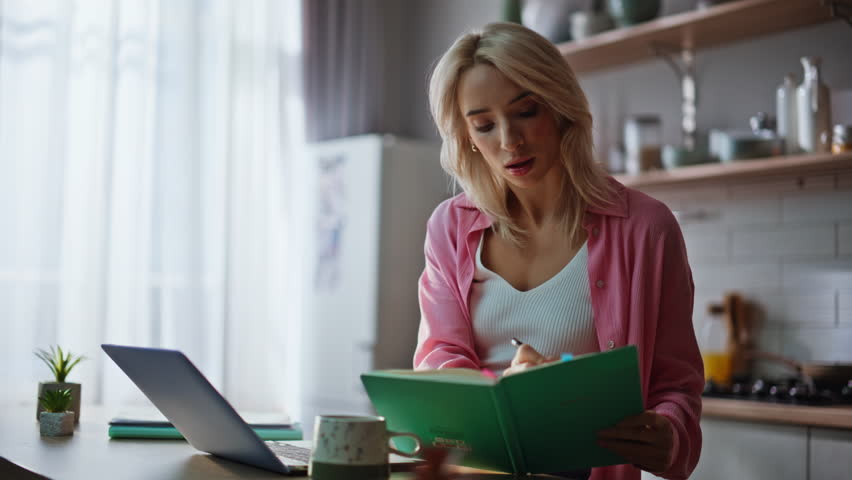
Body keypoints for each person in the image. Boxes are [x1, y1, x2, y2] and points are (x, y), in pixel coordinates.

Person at [413, 22, 703, 480]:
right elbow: (440, 359)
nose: (509, 141)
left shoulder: (647, 228)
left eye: (525, 112)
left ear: (560, 108)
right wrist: (506, 392)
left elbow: (676, 384)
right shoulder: (450, 227)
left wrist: (669, 432)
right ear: (467, 136)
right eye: (484, 125)